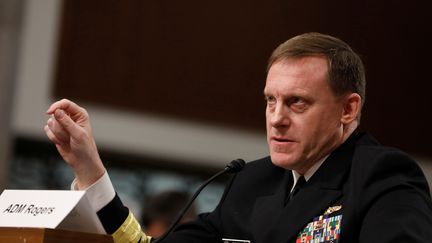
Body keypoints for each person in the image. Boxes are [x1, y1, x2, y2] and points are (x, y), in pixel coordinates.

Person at [44, 32, 432, 243]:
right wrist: (90, 169)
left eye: (297, 103)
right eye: (270, 101)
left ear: (347, 110)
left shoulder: (383, 177)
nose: (276, 119)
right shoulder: (252, 181)